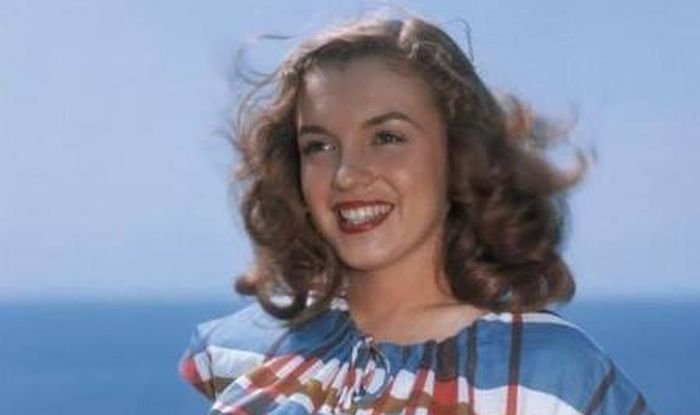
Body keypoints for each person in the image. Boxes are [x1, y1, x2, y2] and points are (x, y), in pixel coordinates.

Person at [179, 12, 653, 415]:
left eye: (387, 137)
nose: (347, 174)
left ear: (458, 155)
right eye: (319, 146)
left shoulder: (552, 378)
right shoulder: (245, 351)